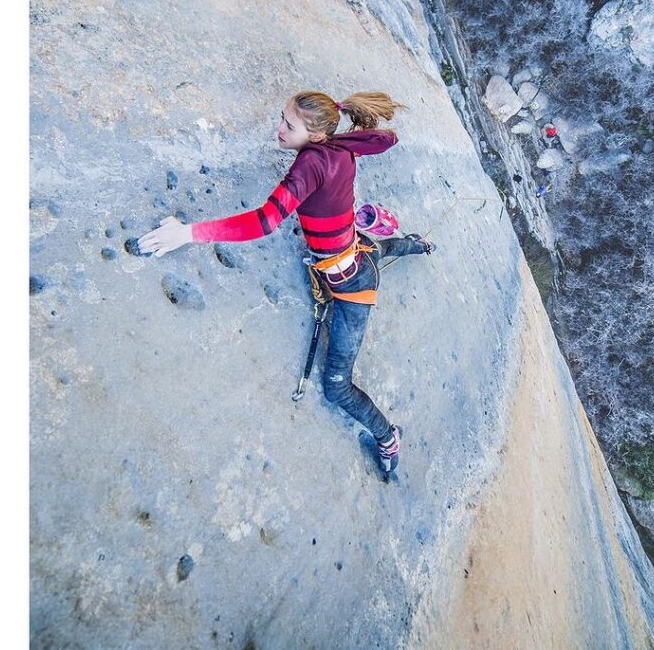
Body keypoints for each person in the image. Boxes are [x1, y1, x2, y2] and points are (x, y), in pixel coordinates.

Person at [137, 90, 435, 472]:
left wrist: (189, 233)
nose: (278, 129)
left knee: (337, 387)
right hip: (357, 251)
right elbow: (386, 139)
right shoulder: (339, 146)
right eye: (283, 118)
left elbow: (265, 221)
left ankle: (387, 436)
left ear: (314, 135)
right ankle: (418, 244)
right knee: (381, 250)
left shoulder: (312, 163)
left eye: (288, 125)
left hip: (353, 289)